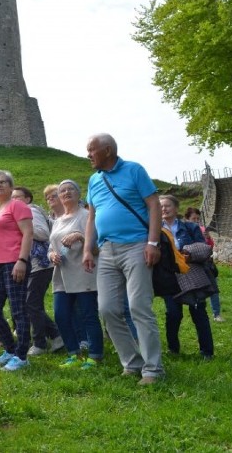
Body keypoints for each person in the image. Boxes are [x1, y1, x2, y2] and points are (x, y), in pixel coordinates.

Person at [82, 133, 165, 385]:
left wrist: (152, 242)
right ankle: (131, 362)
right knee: (107, 309)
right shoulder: (94, 180)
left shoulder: (134, 170)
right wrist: (88, 248)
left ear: (107, 150)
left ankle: (153, 369)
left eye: (91, 150)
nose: (88, 156)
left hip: (136, 246)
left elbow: (154, 205)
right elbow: (91, 217)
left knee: (139, 307)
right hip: (106, 250)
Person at [48, 179, 103, 369]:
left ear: (79, 194)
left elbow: (98, 248)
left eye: (71, 189)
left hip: (83, 272)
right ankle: (74, 354)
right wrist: (51, 255)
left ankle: (95, 355)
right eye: (62, 191)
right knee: (61, 315)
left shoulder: (86, 216)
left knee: (88, 314)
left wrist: (80, 236)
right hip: (61, 274)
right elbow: (51, 246)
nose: (66, 193)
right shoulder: (57, 221)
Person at [0, 170, 34, 371]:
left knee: (18, 310)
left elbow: (28, 233)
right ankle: (11, 349)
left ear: (11, 186)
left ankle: (22, 356)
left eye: (3, 182)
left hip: (14, 262)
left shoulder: (17, 205)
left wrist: (22, 260)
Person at [159, 194, 214, 358]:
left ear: (176, 208)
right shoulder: (154, 229)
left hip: (191, 275)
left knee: (199, 313)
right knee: (173, 313)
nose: (164, 209)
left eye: (167, 205)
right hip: (170, 277)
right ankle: (173, 349)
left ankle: (207, 352)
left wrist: (190, 254)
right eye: (161, 206)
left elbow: (203, 247)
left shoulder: (190, 227)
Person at [11, 186, 62, 355]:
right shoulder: (19, 213)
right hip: (30, 264)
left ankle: (40, 343)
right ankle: (55, 336)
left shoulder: (31, 210)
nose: (15, 200)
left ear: (28, 199)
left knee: (31, 302)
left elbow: (42, 233)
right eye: (12, 198)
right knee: (31, 303)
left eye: (18, 197)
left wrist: (22, 230)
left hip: (40, 263)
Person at [184, 207, 223, 322]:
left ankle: (216, 314)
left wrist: (208, 238)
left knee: (213, 288)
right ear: (187, 219)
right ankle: (197, 310)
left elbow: (209, 246)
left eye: (198, 218)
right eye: (193, 218)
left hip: (206, 263)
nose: (196, 221)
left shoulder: (201, 229)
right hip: (193, 265)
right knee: (197, 290)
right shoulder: (185, 230)